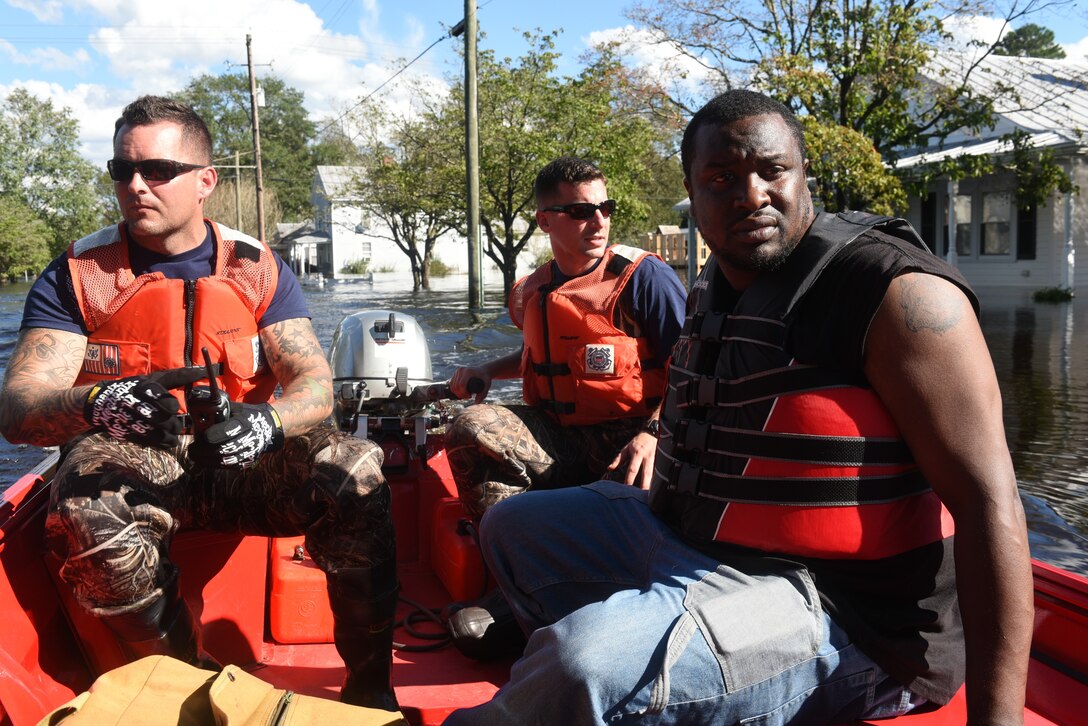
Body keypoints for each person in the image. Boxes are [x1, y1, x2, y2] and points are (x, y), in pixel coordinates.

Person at [444, 90, 1033, 725]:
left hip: (845, 611)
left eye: (771, 171)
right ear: (693, 197)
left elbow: (989, 503)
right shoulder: (715, 282)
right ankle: (640, 671)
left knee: (581, 665)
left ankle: (604, 675)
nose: (750, 194)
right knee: (513, 527)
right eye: (721, 178)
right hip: (689, 544)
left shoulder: (899, 295)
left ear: (803, 175)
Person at [0, 96, 400, 712]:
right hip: (135, 465)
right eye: (121, 171)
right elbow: (19, 410)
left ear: (205, 181)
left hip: (239, 464)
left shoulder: (257, 269)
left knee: (355, 469)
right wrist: (99, 401)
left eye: (157, 171)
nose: (135, 186)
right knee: (86, 506)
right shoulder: (76, 275)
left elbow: (316, 386)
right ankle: (191, 698)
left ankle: (371, 687)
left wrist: (268, 420)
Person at [441, 157, 687, 660]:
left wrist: (657, 434)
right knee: (471, 426)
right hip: (562, 434)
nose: (597, 221)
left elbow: (696, 370)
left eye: (604, 208)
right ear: (545, 221)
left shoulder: (646, 280)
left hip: (633, 440)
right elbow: (544, 358)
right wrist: (489, 367)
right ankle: (523, 582)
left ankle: (595, 599)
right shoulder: (533, 289)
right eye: (579, 211)